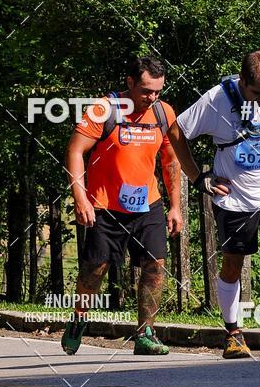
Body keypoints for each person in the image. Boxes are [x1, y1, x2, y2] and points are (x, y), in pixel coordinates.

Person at [167, 49, 260, 359]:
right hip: (233, 198)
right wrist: (198, 178)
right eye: (257, 92)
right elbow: (176, 131)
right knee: (233, 264)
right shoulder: (216, 99)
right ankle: (233, 333)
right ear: (242, 80)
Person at [61, 55, 181, 356]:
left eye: (157, 91)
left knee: (155, 266)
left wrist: (175, 205)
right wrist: (81, 197)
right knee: (95, 270)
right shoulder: (105, 109)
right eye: (145, 91)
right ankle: (79, 317)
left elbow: (170, 161)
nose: (151, 98)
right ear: (130, 83)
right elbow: (75, 151)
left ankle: (145, 334)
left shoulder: (164, 113)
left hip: (148, 203)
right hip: (105, 204)